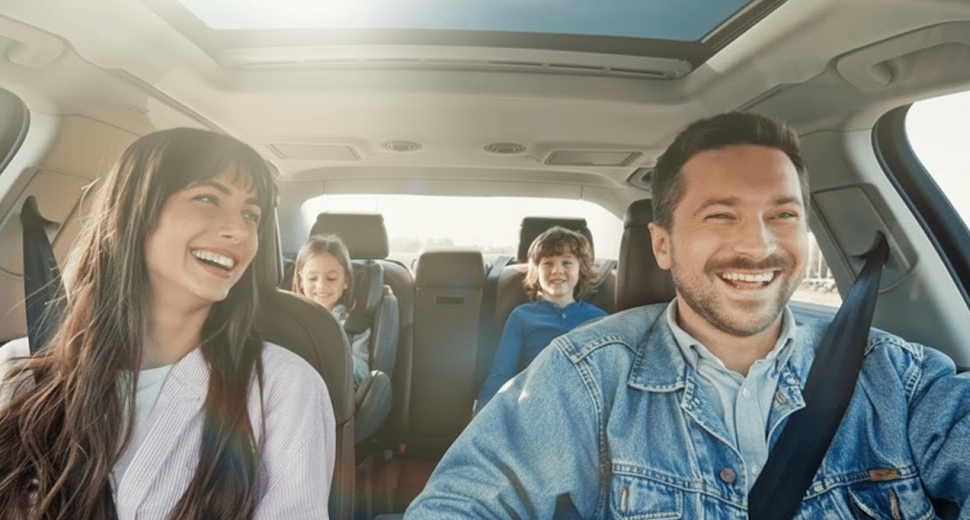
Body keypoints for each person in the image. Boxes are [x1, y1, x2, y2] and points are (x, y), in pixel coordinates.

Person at [403, 112, 970, 519]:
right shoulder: (584, 377)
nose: (759, 246)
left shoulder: (904, 380)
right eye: (721, 216)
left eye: (783, 214)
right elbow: (464, 500)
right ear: (663, 244)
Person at [0, 128, 335, 519]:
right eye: (207, 198)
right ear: (134, 212)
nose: (238, 230)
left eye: (250, 214)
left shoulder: (283, 388)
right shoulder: (8, 376)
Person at [474, 226, 606, 413]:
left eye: (567, 263)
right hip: (534, 404)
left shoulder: (599, 319)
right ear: (536, 271)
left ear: (581, 270)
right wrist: (482, 415)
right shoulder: (522, 317)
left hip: (583, 409)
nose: (557, 271)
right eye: (547, 264)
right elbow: (501, 374)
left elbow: (606, 378)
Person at [293, 235, 371, 388]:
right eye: (312, 278)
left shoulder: (355, 324)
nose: (321, 285)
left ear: (346, 281)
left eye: (331, 278)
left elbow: (362, 374)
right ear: (301, 280)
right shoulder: (289, 319)